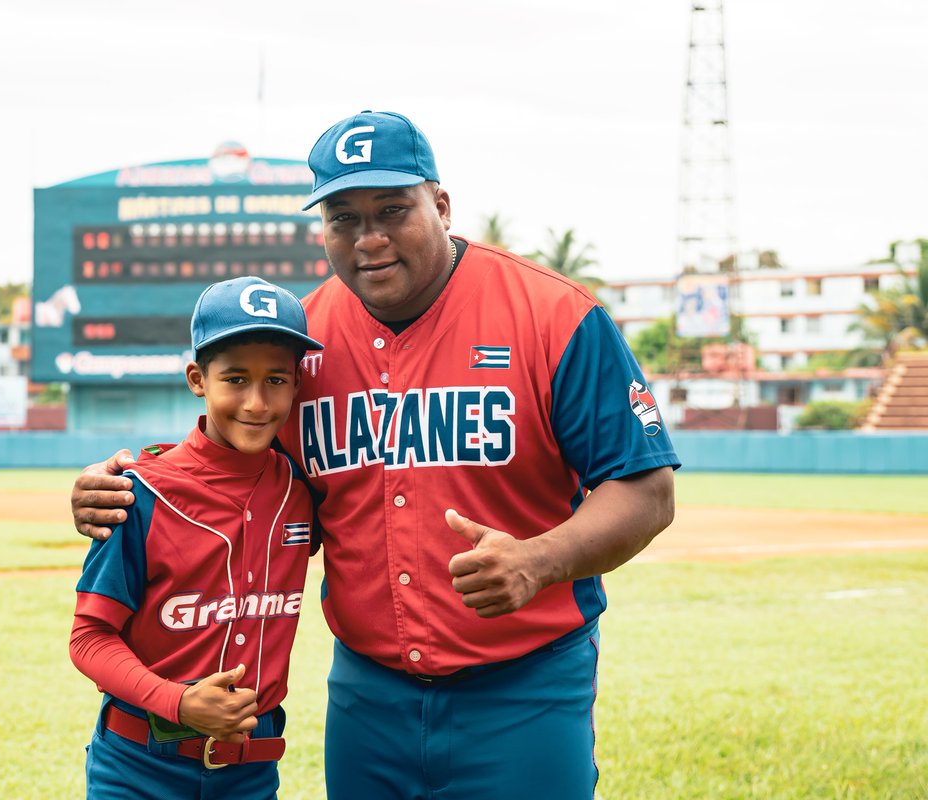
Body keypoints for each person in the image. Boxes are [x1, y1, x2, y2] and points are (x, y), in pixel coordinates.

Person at [71, 110, 680, 798]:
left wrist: (541, 560)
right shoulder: (300, 341)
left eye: (393, 209)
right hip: (368, 695)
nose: (370, 238)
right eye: (344, 217)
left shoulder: (554, 315)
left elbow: (646, 490)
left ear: (441, 206)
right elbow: (244, 475)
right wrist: (123, 486)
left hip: (526, 682)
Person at [70, 276, 323, 799]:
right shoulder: (138, 492)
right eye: (235, 379)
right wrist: (179, 703)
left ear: (297, 385)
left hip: (250, 772)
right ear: (197, 379)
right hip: (139, 766)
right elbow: (89, 639)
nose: (256, 402)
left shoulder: (303, 487)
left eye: (276, 380)